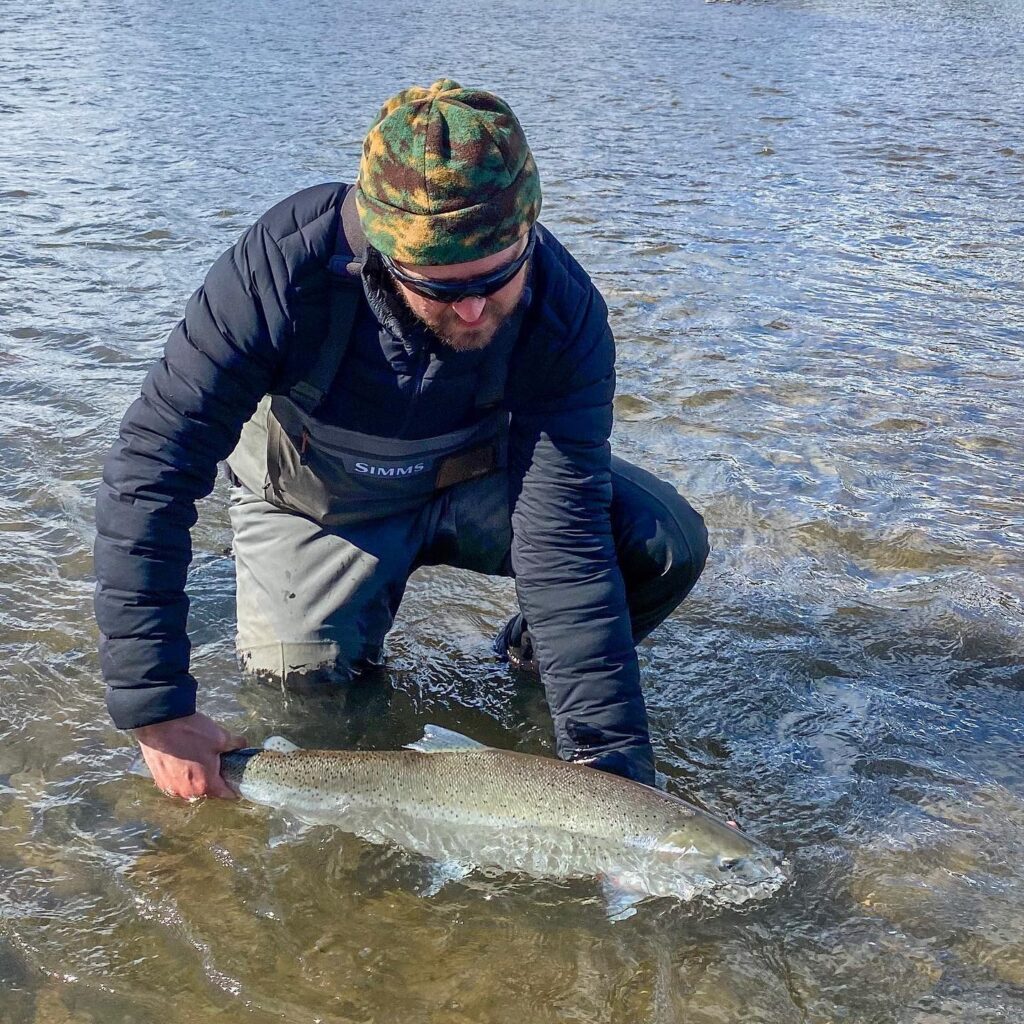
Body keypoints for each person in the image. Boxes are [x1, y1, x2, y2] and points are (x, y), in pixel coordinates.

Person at [94, 79, 709, 800]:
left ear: (527, 229)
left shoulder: (564, 312)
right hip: (315, 506)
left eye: (498, 276)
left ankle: (524, 670)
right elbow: (153, 468)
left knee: (663, 542)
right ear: (381, 256)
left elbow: (561, 533)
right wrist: (156, 708)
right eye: (442, 288)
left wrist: (614, 778)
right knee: (309, 698)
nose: (476, 308)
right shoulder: (280, 270)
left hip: (474, 482)